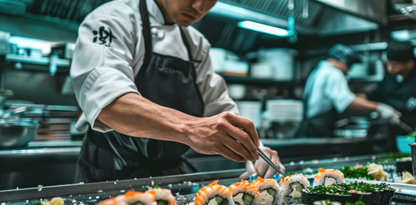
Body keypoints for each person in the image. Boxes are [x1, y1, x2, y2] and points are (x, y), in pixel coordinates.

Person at [70, 0, 284, 182]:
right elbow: (109, 104)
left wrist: (256, 150)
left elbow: (219, 107)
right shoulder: (114, 19)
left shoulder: (196, 45)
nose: (199, 6)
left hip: (168, 175)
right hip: (109, 174)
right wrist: (190, 128)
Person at [298, 44, 401, 138]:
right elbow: (346, 102)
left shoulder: (319, 71)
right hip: (319, 130)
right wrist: (380, 108)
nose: (347, 71)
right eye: (349, 66)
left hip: (310, 126)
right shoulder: (334, 74)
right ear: (343, 62)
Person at [365, 41, 416, 133]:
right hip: (390, 136)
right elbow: (372, 96)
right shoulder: (389, 77)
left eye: (394, 65)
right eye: (388, 63)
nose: (389, 68)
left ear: (409, 63)